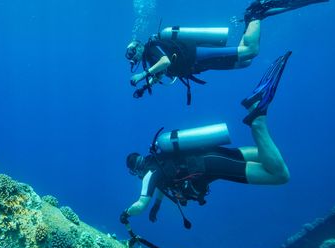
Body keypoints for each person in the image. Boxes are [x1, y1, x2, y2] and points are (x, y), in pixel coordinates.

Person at [120, 51, 292, 224]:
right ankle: (255, 106)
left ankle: (257, 122)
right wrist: (157, 206)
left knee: (279, 175)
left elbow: (141, 204)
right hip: (208, 154)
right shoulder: (158, 161)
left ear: (136, 170)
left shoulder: (151, 173)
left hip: (210, 165)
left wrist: (126, 214)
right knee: (263, 155)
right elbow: (160, 184)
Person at [125, 0, 335, 103]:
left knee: (250, 51)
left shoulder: (153, 47)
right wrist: (148, 85)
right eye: (129, 55)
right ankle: (254, 18)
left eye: (131, 51)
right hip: (198, 65)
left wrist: (142, 76)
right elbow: (163, 71)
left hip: (197, 56)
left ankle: (256, 11)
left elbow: (165, 62)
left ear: (138, 45)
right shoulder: (149, 58)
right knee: (245, 62)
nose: (132, 56)